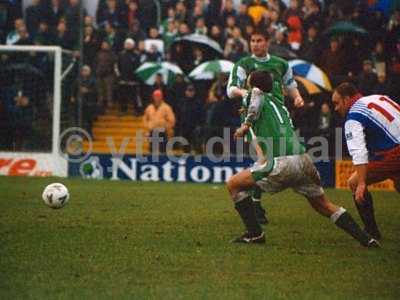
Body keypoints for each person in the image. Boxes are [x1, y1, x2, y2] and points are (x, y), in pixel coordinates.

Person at [228, 70, 379, 248]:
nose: (247, 86)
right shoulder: (279, 105)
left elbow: (254, 98)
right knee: (324, 205)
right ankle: (366, 239)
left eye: (248, 82)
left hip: (283, 163)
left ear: (254, 86)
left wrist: (245, 125)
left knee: (233, 184)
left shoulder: (255, 94)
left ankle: (255, 234)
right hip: (303, 160)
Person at [227, 28, 304, 225]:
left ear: (267, 42)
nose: (255, 44)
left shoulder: (280, 64)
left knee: (271, 160)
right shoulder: (244, 64)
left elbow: (290, 85)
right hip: (257, 116)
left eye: (259, 40)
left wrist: (297, 97)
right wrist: (250, 95)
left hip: (278, 116)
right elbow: (231, 89)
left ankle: (256, 201)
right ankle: (256, 203)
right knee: (264, 159)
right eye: (252, 40)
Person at [331, 82, 400, 240]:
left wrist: (362, 182)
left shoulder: (353, 116)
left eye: (336, 103)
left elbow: (358, 151)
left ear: (347, 99)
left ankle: (371, 231)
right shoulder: (378, 97)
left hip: (395, 153)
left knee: (354, 183)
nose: (335, 108)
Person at [143, 89, 176, 154]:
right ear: (153, 97)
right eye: (155, 96)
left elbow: (172, 120)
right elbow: (145, 118)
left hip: (162, 131)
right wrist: (148, 126)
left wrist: (165, 126)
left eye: (158, 96)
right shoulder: (149, 107)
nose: (157, 98)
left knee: (163, 150)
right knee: (152, 150)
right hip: (152, 131)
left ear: (161, 97)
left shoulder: (166, 107)